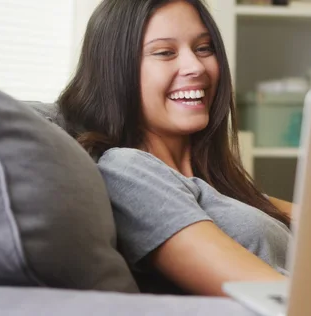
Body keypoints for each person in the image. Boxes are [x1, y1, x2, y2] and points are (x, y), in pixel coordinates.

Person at [57, 0, 294, 296]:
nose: (195, 67)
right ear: (116, 71)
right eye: (165, 52)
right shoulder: (128, 171)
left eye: (204, 48)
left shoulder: (222, 185)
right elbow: (271, 295)